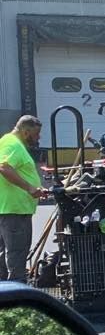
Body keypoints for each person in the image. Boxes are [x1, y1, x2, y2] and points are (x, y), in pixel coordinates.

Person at [0, 115, 48, 283]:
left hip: (12, 210)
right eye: (36, 134)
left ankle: (7, 290)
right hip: (14, 210)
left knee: (6, 255)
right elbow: (4, 168)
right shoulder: (12, 144)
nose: (38, 138)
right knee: (17, 256)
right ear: (26, 131)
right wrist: (30, 188)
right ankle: (18, 292)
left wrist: (36, 188)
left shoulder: (11, 143)